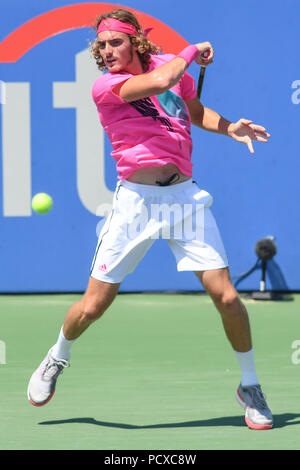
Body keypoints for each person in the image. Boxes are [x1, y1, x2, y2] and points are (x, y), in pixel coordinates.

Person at [27, 8, 273, 430]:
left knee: (229, 298)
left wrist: (230, 127)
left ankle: (250, 385)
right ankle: (57, 356)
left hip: (184, 198)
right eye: (101, 46)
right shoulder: (108, 85)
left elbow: (190, 109)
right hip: (135, 204)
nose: (106, 52)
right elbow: (161, 82)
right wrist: (192, 50)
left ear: (136, 42)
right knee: (93, 305)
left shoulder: (169, 68)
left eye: (115, 43)